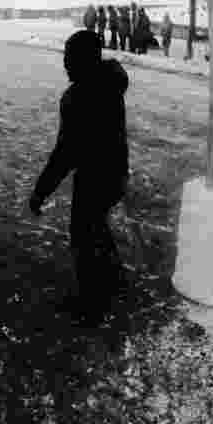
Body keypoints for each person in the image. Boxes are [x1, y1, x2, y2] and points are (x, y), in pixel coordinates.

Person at [28, 29, 130, 324]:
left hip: (94, 177)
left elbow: (65, 153)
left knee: (84, 237)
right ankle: (115, 278)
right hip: (116, 171)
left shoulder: (78, 97)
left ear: (82, 61)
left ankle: (91, 304)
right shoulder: (111, 82)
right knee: (97, 227)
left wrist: (41, 191)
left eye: (69, 58)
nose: (65, 64)